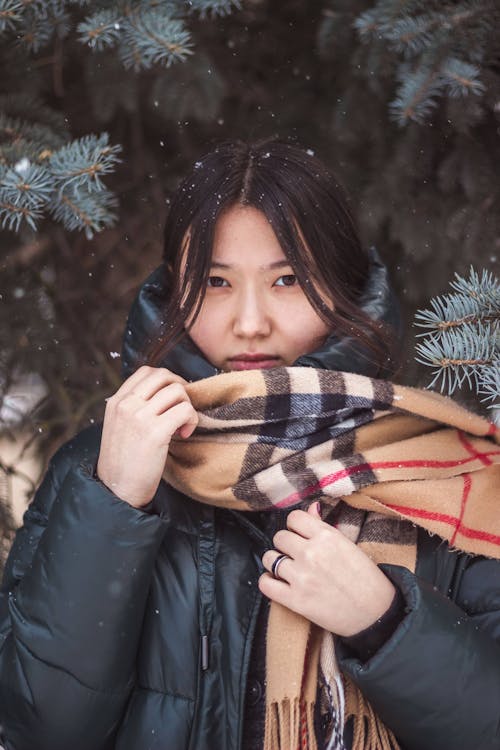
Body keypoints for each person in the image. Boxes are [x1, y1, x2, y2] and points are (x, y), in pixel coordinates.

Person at [0, 138, 499, 750]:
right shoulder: (104, 466)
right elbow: (36, 728)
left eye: (287, 280)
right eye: (215, 282)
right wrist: (112, 507)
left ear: (344, 288)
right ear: (173, 295)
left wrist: (387, 626)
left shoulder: (449, 471)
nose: (250, 321)